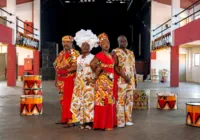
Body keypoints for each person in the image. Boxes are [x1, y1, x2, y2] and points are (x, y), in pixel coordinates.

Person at [70, 29, 99, 130]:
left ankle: (89, 122)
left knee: (88, 103)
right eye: (83, 45)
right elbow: (76, 68)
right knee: (79, 102)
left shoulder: (93, 57)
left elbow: (98, 70)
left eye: (87, 45)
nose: (85, 47)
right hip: (79, 84)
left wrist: (93, 79)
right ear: (80, 46)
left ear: (90, 47)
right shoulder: (78, 58)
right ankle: (81, 121)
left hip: (88, 84)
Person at [90, 33, 115, 130]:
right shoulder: (99, 55)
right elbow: (92, 64)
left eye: (108, 42)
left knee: (109, 102)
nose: (106, 45)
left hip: (111, 82)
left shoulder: (110, 55)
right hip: (102, 83)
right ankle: (101, 124)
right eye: (104, 43)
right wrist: (98, 71)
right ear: (100, 45)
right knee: (101, 102)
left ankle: (108, 124)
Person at [53, 35, 80, 127]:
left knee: (70, 100)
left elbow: (75, 66)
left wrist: (65, 71)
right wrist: (56, 79)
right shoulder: (60, 54)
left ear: (71, 43)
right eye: (64, 42)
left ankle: (71, 119)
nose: (65, 44)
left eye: (67, 42)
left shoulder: (74, 53)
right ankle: (64, 118)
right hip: (61, 81)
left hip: (70, 80)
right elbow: (57, 67)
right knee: (62, 101)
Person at [112, 35, 137, 128]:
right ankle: (121, 121)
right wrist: (124, 76)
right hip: (121, 81)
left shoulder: (131, 53)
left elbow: (134, 67)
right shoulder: (115, 52)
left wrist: (135, 79)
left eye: (125, 41)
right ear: (118, 42)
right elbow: (114, 66)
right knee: (120, 101)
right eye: (121, 41)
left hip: (131, 81)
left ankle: (128, 120)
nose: (123, 42)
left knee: (129, 101)